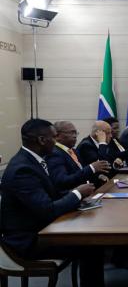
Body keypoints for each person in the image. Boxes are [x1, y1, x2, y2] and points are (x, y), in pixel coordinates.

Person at [0, 119, 104, 286]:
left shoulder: (33, 160)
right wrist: (77, 193)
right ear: (42, 140)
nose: (56, 142)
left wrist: (76, 197)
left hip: (41, 228)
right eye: (54, 137)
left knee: (90, 237)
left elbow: (50, 196)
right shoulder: (22, 169)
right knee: (91, 246)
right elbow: (47, 209)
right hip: (28, 241)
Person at [46, 121, 110, 190]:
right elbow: (62, 181)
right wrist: (92, 168)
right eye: (71, 132)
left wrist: (98, 176)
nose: (75, 136)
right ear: (57, 135)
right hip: (73, 196)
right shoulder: (55, 153)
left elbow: (80, 171)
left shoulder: (73, 151)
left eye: (75, 133)